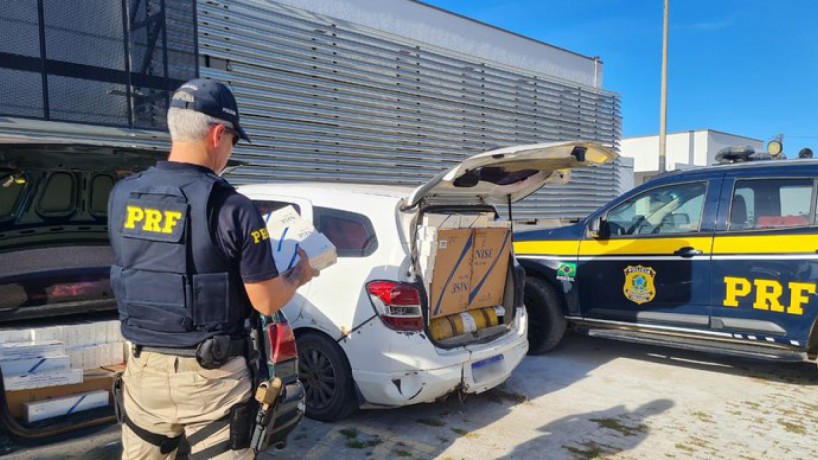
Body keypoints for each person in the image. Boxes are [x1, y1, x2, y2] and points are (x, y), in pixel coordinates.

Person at [108, 79, 317, 459]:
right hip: (213, 380)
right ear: (219, 134)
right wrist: (298, 275)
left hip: (142, 373)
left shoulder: (123, 196)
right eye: (234, 141)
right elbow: (267, 301)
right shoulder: (233, 208)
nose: (230, 150)